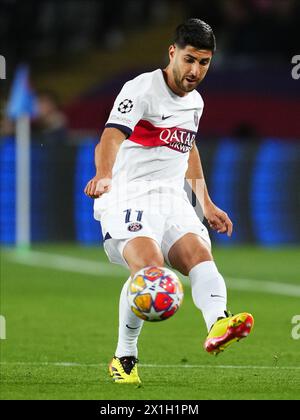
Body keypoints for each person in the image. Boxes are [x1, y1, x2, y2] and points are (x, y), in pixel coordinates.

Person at [84, 18, 254, 384]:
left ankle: (218, 323)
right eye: (190, 59)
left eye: (204, 62)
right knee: (151, 269)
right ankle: (124, 357)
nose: (195, 71)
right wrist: (104, 175)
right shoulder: (142, 88)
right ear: (173, 52)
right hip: (129, 193)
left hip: (172, 197)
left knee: (200, 257)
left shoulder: (196, 103)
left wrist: (205, 203)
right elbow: (111, 136)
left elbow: (187, 147)